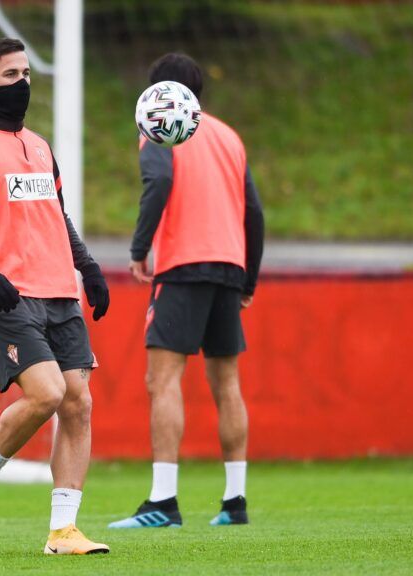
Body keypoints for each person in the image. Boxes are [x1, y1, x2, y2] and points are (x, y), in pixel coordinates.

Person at [0, 38, 112, 555]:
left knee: (79, 404)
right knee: (48, 394)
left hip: (60, 289)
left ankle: (63, 531)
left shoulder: (39, 145)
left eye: (27, 73)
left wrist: (88, 266)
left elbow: (57, 215)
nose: (22, 83)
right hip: (5, 297)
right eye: (10, 75)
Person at [108, 53, 265, 529]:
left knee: (163, 381)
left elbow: (159, 179)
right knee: (227, 384)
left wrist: (140, 248)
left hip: (183, 265)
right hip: (228, 267)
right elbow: (253, 212)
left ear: (156, 92)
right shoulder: (227, 136)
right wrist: (248, 278)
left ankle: (163, 502)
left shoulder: (159, 122)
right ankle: (234, 502)